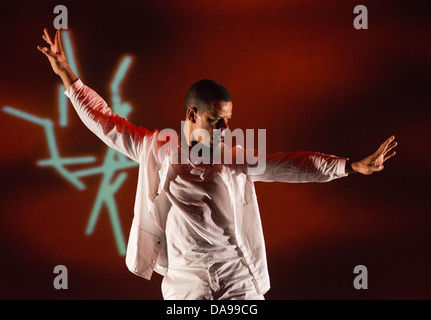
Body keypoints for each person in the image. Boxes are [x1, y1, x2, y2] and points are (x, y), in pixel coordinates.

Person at [37, 28, 397, 300]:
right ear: (192, 115)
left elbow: (290, 165)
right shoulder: (158, 149)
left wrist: (349, 166)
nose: (226, 128)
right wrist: (68, 76)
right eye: (216, 120)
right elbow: (106, 122)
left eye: (228, 119)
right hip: (185, 282)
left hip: (237, 277)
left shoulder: (234, 158)